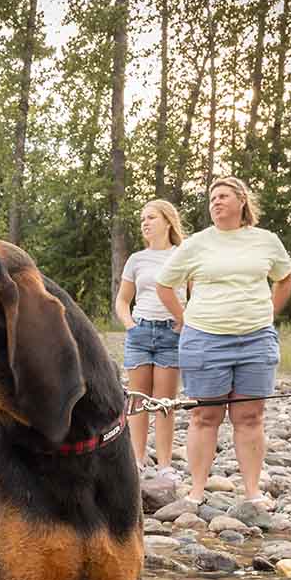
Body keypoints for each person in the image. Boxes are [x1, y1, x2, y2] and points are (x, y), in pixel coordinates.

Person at [155, 176, 291, 507]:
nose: (216, 202)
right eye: (212, 198)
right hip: (205, 340)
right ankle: (196, 492)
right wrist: (184, 317)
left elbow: (285, 277)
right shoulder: (197, 244)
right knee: (205, 417)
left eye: (223, 196)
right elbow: (164, 285)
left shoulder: (266, 241)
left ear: (241, 201)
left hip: (256, 341)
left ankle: (252, 492)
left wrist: (270, 312)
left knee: (250, 417)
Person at [114, 199, 186, 470]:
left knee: (164, 403)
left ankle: (165, 465)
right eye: (143, 218)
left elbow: (195, 295)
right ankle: (136, 461)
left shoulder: (183, 255)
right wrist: (130, 325)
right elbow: (122, 300)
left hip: (171, 334)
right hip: (140, 332)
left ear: (167, 221)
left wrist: (183, 323)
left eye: (151, 217)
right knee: (138, 401)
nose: (145, 222)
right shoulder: (136, 259)